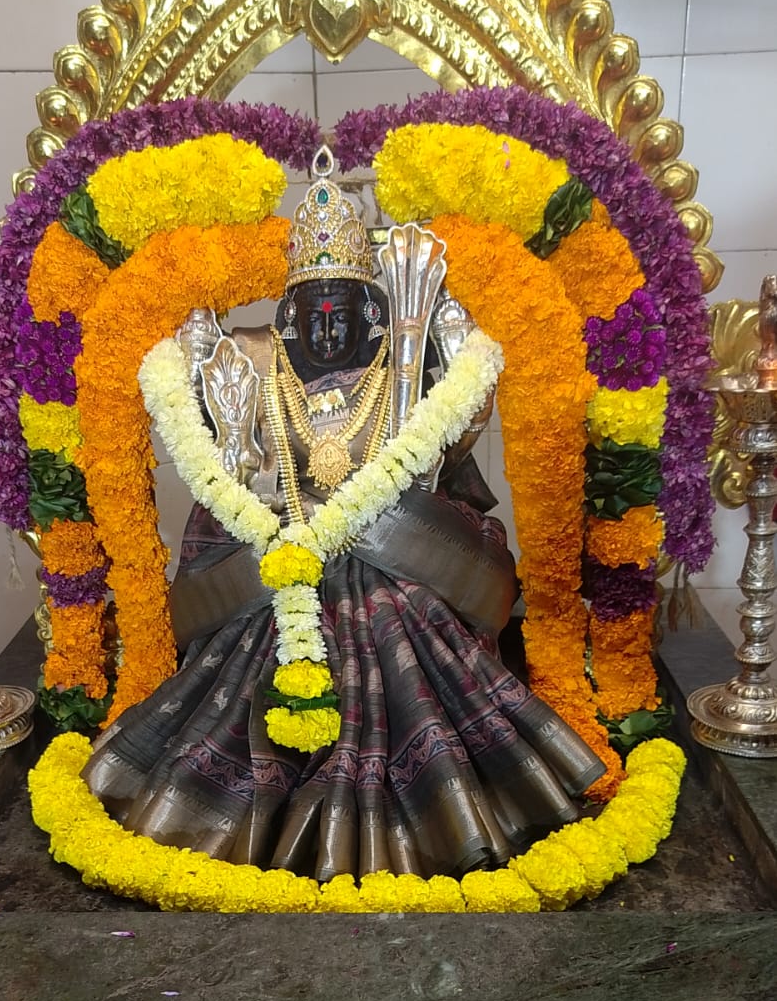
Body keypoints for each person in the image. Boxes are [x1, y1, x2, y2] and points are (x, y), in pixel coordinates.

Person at [82, 162, 604, 881]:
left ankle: (432, 810)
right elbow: (229, 487)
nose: (327, 330)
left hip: (393, 567)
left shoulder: (404, 370)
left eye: (342, 314)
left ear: (370, 316)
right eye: (313, 315)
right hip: (280, 564)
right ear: (290, 319)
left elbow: (448, 486)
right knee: (242, 667)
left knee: (408, 617)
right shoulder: (258, 368)